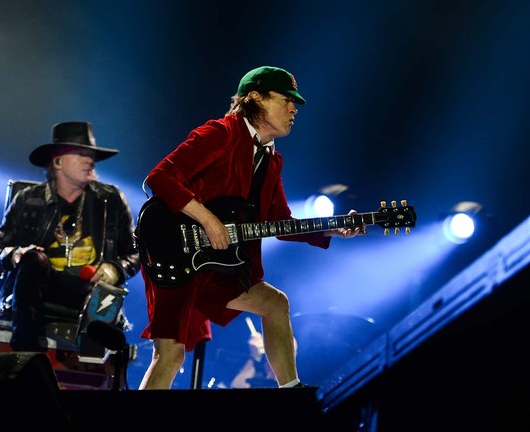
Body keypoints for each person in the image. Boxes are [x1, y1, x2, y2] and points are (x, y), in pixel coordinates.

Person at [136, 65, 366, 389]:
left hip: (217, 266)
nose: (293, 108)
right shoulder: (221, 133)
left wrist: (332, 228)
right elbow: (158, 178)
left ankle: (291, 391)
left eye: (294, 103)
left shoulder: (272, 160)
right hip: (174, 253)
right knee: (170, 356)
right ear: (255, 98)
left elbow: (281, 224)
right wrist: (208, 219)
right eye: (285, 99)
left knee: (275, 303)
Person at [0, 121, 140, 352]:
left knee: (104, 299)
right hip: (37, 289)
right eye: (81, 154)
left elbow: (136, 252)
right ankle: (25, 352)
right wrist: (16, 255)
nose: (90, 161)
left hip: (89, 290)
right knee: (33, 261)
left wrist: (115, 268)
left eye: (91, 155)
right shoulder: (29, 200)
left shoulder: (110, 200)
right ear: (57, 162)